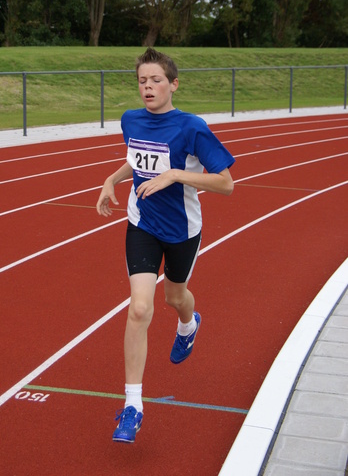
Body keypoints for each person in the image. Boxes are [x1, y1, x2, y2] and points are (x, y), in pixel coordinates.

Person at [96, 48, 235, 443]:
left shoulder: (191, 127)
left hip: (182, 230)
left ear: (173, 84)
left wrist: (176, 174)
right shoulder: (131, 120)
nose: (148, 87)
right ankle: (132, 406)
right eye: (142, 81)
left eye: (156, 80)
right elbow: (135, 160)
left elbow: (226, 183)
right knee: (139, 308)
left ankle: (189, 325)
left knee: (176, 297)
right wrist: (112, 180)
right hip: (141, 222)